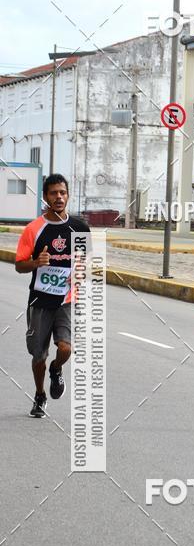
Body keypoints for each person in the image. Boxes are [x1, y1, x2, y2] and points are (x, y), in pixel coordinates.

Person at [15, 173, 90, 417]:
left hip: (67, 300)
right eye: (54, 193)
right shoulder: (34, 229)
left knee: (65, 348)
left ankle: (56, 369)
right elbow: (19, 264)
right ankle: (39, 395)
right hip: (39, 300)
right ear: (46, 197)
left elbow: (86, 262)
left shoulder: (79, 228)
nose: (59, 197)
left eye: (63, 192)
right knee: (38, 355)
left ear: (67, 195)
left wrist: (79, 273)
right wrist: (37, 262)